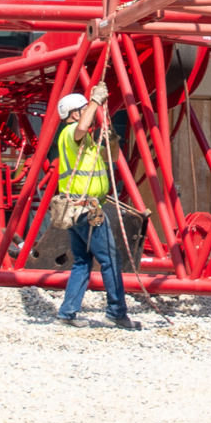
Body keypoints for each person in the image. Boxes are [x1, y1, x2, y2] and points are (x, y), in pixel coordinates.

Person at [54, 89, 136, 330]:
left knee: (82, 261)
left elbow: (113, 157)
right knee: (111, 259)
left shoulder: (86, 143)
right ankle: (117, 313)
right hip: (86, 208)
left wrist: (111, 140)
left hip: (78, 208)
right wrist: (94, 102)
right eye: (83, 111)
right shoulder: (71, 133)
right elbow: (80, 128)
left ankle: (68, 312)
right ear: (76, 113)